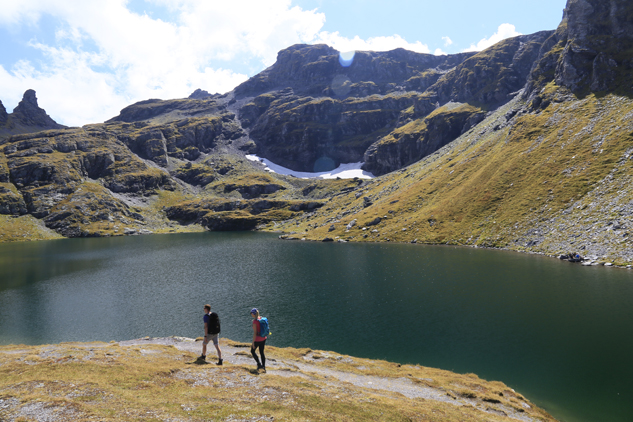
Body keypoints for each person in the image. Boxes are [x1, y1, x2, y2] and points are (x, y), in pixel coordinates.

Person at [250, 308, 267, 372]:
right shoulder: (261, 319)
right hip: (263, 338)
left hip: (258, 339)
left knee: (252, 351)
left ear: (253, 314)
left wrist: (253, 343)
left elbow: (255, 333)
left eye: (251, 313)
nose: (251, 314)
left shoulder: (255, 321)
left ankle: (259, 364)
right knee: (262, 352)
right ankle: (264, 367)